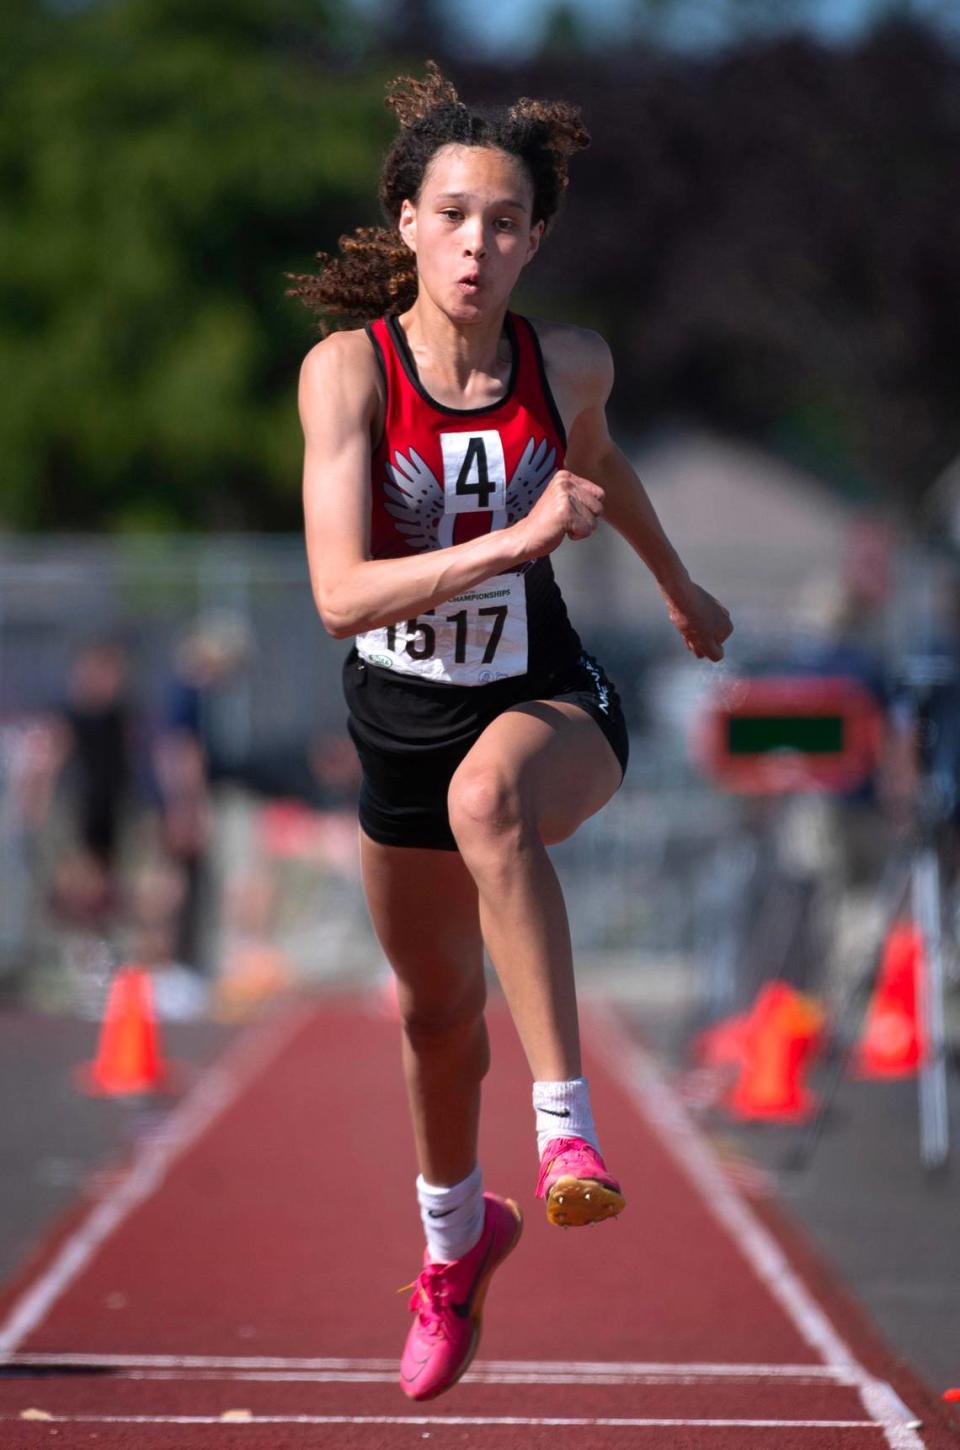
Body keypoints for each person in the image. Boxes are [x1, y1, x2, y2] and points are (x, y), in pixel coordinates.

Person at [291, 62, 732, 1402]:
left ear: (536, 238)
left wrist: (676, 583)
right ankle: (451, 1245)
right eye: (456, 215)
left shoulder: (566, 360)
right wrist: (517, 538)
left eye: (506, 221)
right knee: (434, 1017)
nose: (479, 243)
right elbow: (335, 596)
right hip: (397, 722)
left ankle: (566, 1137)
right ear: (409, 223)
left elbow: (599, 453)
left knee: (495, 800)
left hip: (548, 702)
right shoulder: (345, 379)